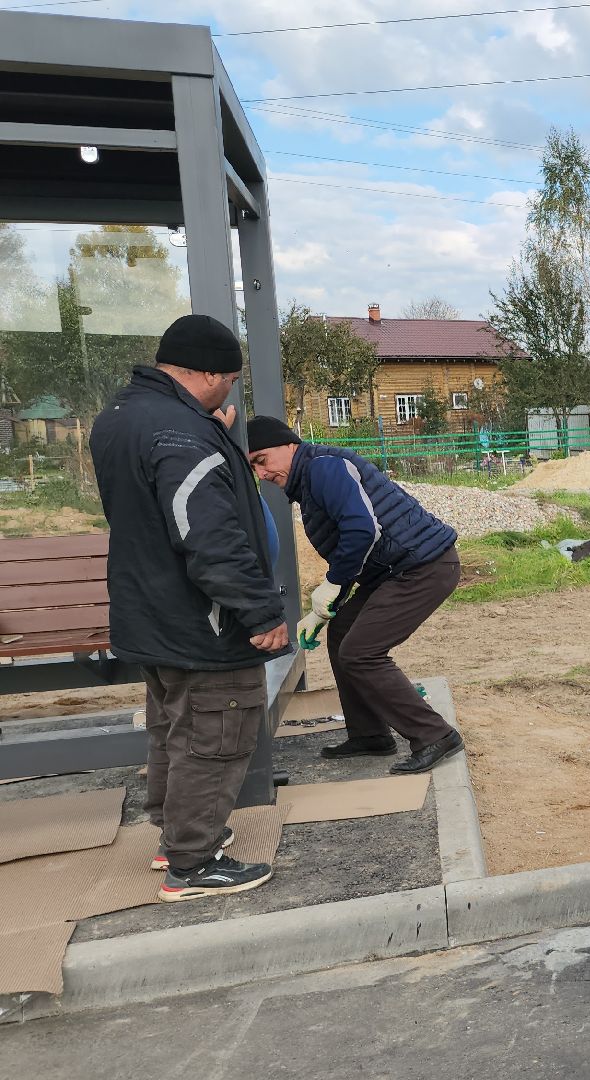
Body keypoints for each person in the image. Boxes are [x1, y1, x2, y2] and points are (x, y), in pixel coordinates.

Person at [91, 314, 288, 902]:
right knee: (217, 732)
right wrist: (260, 610)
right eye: (228, 379)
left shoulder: (121, 417)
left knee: (174, 727)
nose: (229, 392)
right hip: (202, 621)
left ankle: (172, 836)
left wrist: (214, 433)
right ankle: (192, 863)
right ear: (204, 373)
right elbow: (208, 535)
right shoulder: (182, 434)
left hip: (149, 615)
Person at [244, 415, 463, 775]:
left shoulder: (323, 468)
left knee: (361, 653)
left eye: (262, 460)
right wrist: (324, 609)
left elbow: (362, 530)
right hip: (397, 569)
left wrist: (331, 584)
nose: (262, 474)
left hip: (423, 567)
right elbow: (352, 545)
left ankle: (434, 735)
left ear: (289, 445)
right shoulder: (310, 479)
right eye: (254, 467)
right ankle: (370, 734)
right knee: (342, 629)